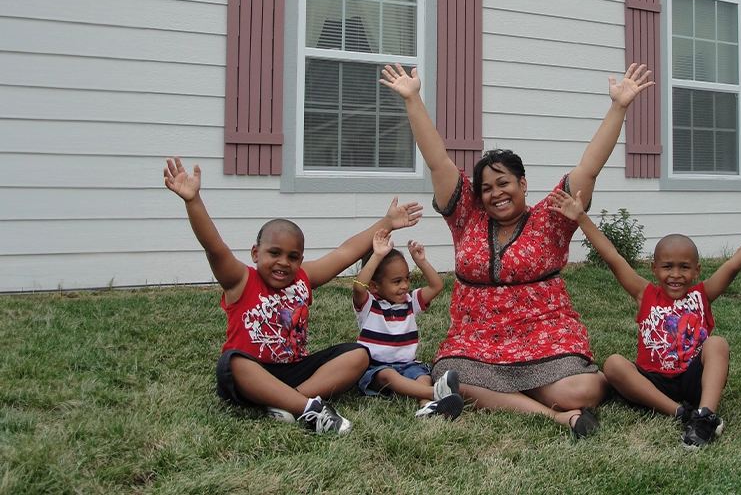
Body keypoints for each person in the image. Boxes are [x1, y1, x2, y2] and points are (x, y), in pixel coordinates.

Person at [380, 62, 654, 438]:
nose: (496, 193)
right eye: (487, 188)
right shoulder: (466, 218)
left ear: (523, 183)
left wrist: (618, 107)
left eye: (504, 182)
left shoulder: (551, 217)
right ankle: (558, 417)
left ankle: (505, 394)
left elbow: (588, 169)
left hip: (545, 332)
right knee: (448, 376)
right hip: (476, 338)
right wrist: (413, 99)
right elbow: (437, 160)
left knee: (585, 389)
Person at [163, 156, 422, 435]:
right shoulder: (241, 280)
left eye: (293, 256)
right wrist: (193, 201)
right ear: (255, 253)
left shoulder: (302, 279)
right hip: (254, 372)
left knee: (359, 355)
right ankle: (308, 409)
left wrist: (387, 222)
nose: (283, 262)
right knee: (231, 363)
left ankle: (288, 402)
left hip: (294, 370)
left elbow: (345, 253)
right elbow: (214, 247)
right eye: (274, 253)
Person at [548, 188, 741, 447]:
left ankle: (705, 416)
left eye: (684, 267)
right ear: (654, 268)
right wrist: (581, 218)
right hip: (653, 383)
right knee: (613, 364)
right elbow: (613, 258)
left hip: (693, 380)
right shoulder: (644, 293)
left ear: (697, 271)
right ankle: (681, 413)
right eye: (668, 266)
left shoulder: (703, 295)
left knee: (718, 344)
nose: (676, 274)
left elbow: (734, 264)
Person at [353, 229, 463, 420]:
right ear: (374, 286)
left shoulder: (409, 301)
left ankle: (427, 406)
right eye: (396, 281)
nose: (404, 285)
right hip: (376, 367)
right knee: (389, 376)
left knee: (423, 376)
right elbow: (358, 286)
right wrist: (377, 255)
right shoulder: (368, 305)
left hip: (407, 365)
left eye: (407, 278)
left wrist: (421, 262)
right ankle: (433, 393)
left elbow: (437, 286)